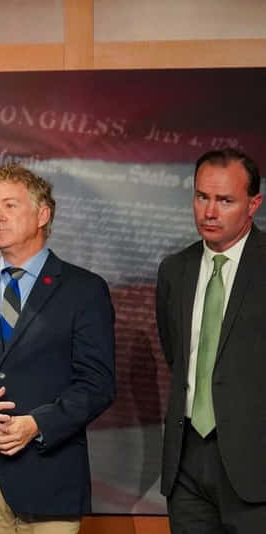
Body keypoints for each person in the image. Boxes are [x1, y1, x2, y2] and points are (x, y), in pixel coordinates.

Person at [0, 164, 115, 533]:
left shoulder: (83, 290)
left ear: (42, 214)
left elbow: (97, 384)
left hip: (50, 482)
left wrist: (37, 424)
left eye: (9, 206)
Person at [157, 148, 266, 533]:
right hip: (186, 464)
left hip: (255, 469)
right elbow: (176, 356)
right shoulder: (174, 270)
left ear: (254, 204)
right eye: (202, 197)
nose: (210, 212)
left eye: (225, 200)